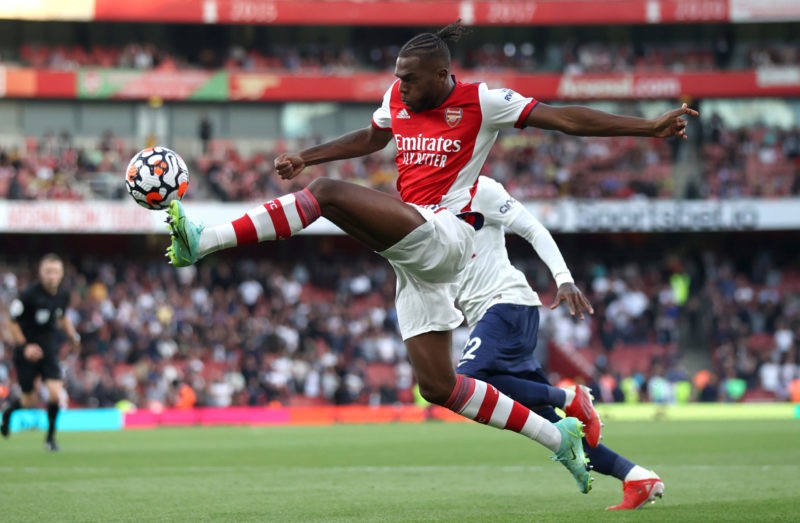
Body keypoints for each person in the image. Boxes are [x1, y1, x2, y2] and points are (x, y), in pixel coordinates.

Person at [165, 20, 697, 493]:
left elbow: (566, 119)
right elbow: (372, 137)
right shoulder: (399, 99)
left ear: (442, 74)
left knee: (327, 193)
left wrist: (648, 127)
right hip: (414, 257)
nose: (401, 86)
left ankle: (203, 241)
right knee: (438, 387)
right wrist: (308, 154)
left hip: (447, 237)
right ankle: (556, 437)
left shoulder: (482, 101)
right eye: (397, 76)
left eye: (411, 78)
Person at [455, 175, 664, 510]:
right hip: (488, 314)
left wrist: (564, 279)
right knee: (549, 426)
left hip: (505, 303)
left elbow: (535, 229)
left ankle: (570, 396)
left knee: (467, 383)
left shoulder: (480, 190)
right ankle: (636, 476)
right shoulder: (424, 201)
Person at [1, 253, 81, 451]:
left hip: (49, 351)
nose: (52, 276)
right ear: (41, 273)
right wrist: (25, 346)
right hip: (26, 352)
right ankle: (8, 413)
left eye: (56, 271)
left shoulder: (63, 295)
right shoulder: (28, 295)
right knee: (29, 400)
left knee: (55, 393)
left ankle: (50, 439)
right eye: (48, 272)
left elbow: (62, 318)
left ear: (62, 274)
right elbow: (11, 323)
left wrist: (73, 337)